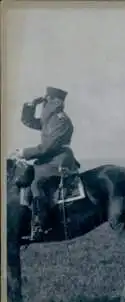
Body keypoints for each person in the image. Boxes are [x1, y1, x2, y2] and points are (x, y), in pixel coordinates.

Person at [14, 86, 79, 241]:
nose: (44, 103)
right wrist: (31, 105)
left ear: (55, 101)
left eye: (47, 100)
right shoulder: (49, 118)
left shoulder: (60, 120)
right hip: (50, 157)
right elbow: (28, 121)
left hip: (59, 158)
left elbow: (48, 147)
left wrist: (25, 152)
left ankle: (40, 225)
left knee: (37, 182)